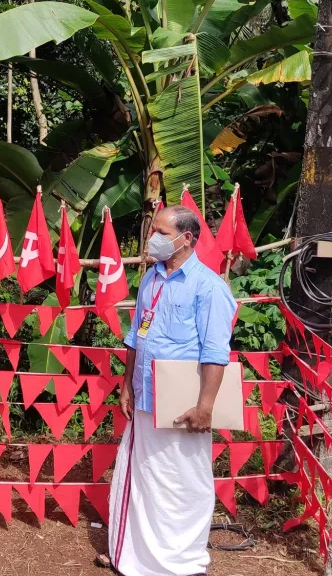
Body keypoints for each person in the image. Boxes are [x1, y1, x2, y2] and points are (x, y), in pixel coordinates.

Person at [103, 206, 236, 576]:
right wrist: (127, 383)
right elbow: (136, 335)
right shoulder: (152, 279)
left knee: (183, 482)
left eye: (161, 232)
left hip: (183, 406)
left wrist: (205, 406)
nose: (153, 239)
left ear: (186, 238)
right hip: (145, 396)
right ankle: (139, 558)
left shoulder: (208, 286)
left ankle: (183, 562)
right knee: (145, 479)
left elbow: (215, 352)